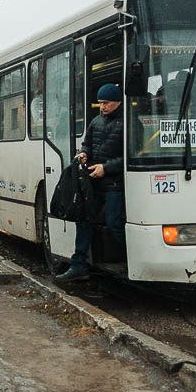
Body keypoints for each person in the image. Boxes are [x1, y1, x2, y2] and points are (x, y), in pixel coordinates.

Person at [55, 83, 126, 283]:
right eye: (101, 103)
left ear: (118, 102)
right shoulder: (96, 122)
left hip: (114, 183)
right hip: (94, 181)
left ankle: (129, 258)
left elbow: (131, 156)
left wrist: (106, 168)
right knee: (84, 220)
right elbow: (87, 144)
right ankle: (78, 265)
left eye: (107, 103)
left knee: (113, 222)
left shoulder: (127, 123)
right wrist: (84, 154)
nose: (102, 107)